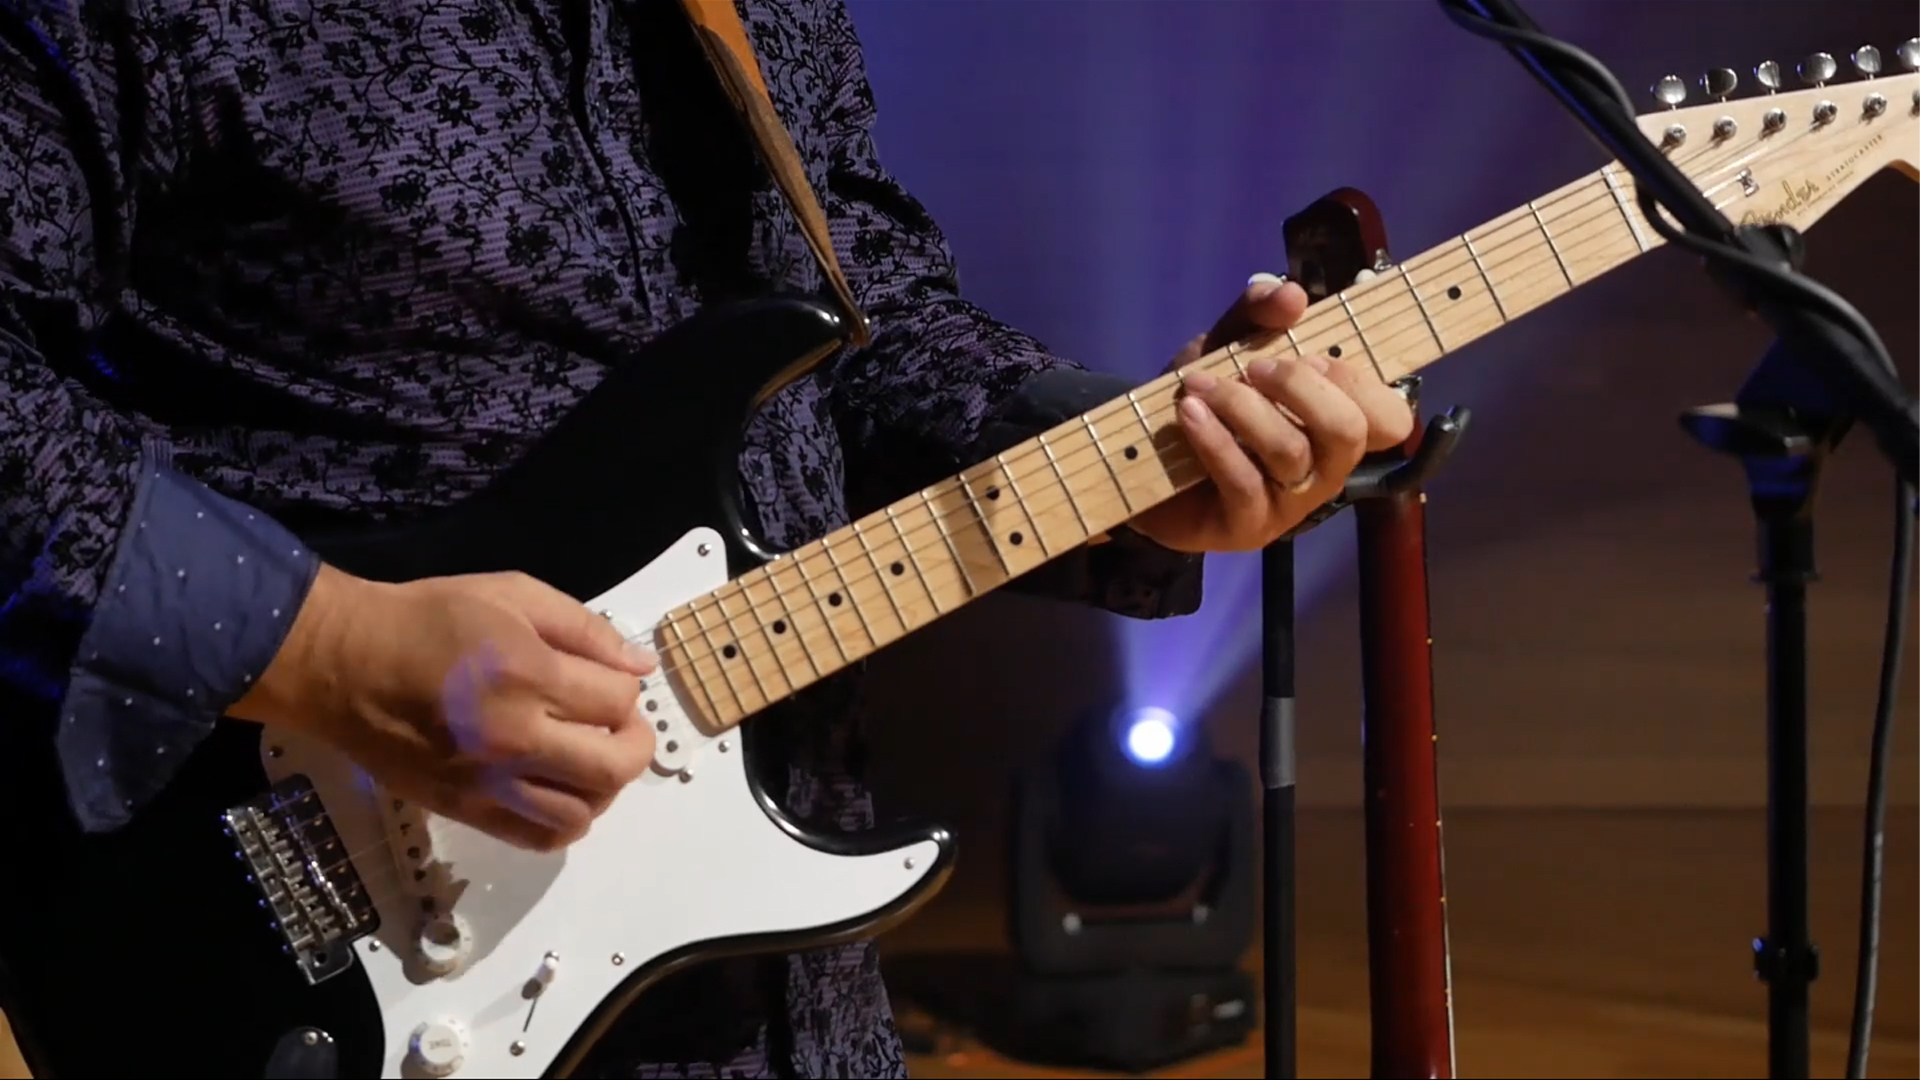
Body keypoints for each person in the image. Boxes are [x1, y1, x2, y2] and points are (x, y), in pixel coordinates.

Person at [0, 1, 1413, 1077]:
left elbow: (867, 321)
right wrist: (326, 648)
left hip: (781, 987)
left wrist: (1132, 454)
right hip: (286, 940)